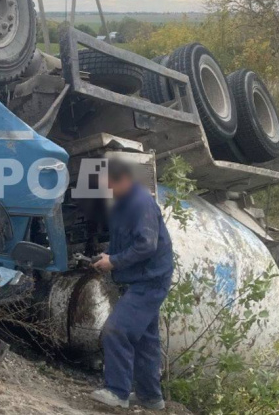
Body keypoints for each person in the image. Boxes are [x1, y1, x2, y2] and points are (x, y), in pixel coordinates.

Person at [89, 160, 174, 410]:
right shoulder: (121, 204)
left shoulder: (140, 203)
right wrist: (105, 255)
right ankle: (150, 397)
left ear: (122, 180)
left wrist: (113, 262)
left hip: (150, 280)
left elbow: (146, 245)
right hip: (141, 278)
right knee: (146, 340)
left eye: (108, 186)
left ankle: (117, 392)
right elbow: (124, 240)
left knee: (117, 329)